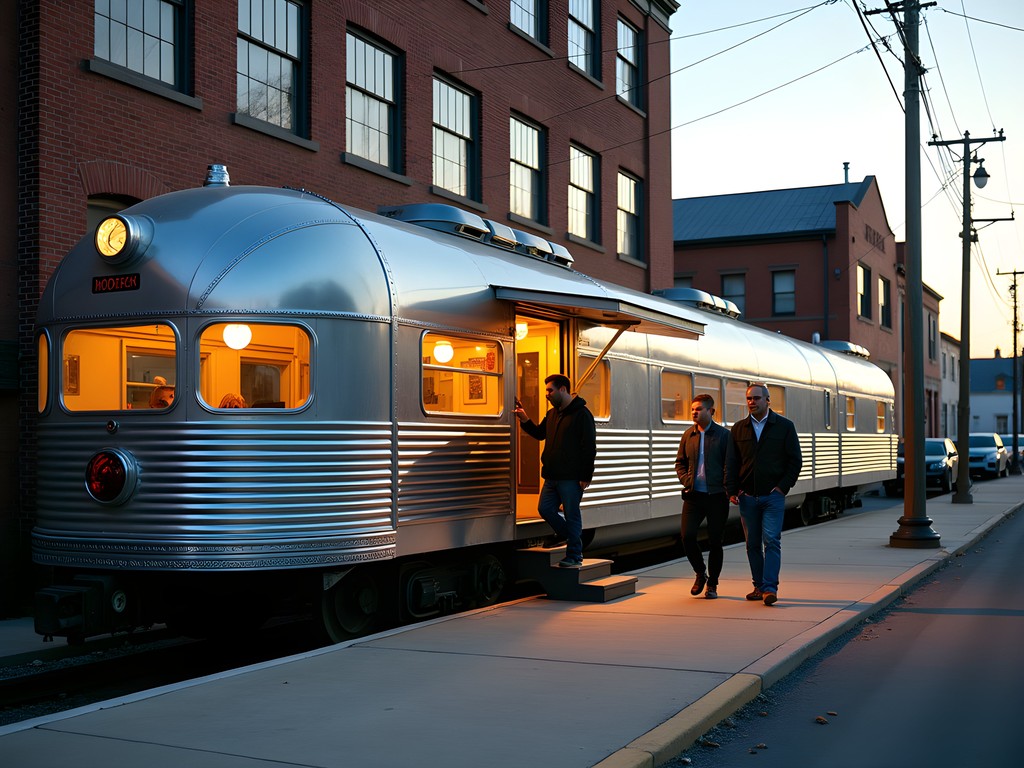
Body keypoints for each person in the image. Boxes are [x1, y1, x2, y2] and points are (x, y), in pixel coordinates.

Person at [726, 383, 802, 606]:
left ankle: (770, 588)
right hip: (747, 497)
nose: (752, 402)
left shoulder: (784, 426)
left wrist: (782, 488)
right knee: (752, 544)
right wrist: (732, 489)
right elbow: (731, 462)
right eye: (749, 398)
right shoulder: (739, 428)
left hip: (772, 497)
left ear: (768, 400)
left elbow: (795, 460)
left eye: (757, 398)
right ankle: (758, 586)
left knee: (771, 541)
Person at [515, 374, 597, 568]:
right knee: (545, 509)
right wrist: (524, 418)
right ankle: (568, 535)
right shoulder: (552, 414)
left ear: (563, 390)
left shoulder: (582, 415)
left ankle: (574, 555)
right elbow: (539, 434)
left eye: (550, 390)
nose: (547, 394)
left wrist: (586, 476)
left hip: (572, 477)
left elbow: (589, 447)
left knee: (571, 514)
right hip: (552, 475)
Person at [674, 394, 730, 599]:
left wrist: (726, 487)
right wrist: (686, 480)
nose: (694, 413)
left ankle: (712, 584)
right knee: (687, 537)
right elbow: (679, 462)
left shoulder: (723, 435)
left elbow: (729, 464)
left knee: (715, 541)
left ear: (711, 411)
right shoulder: (688, 435)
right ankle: (700, 572)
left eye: (698, 409)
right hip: (693, 496)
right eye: (692, 410)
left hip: (717, 497)